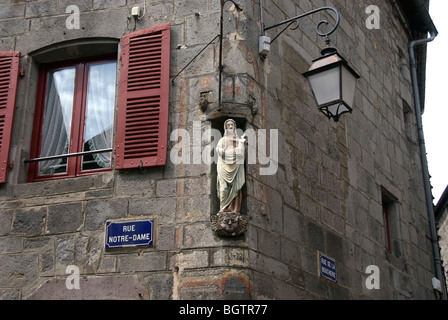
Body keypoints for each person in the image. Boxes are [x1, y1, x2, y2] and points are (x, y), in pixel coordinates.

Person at [216, 119, 246, 213]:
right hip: (223, 164)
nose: (230, 126)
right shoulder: (222, 140)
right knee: (224, 188)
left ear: (234, 127)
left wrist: (241, 143)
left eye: (231, 125)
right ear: (225, 127)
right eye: (228, 125)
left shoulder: (238, 140)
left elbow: (241, 153)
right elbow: (218, 148)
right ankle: (223, 207)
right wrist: (220, 150)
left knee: (236, 187)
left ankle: (234, 208)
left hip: (236, 165)